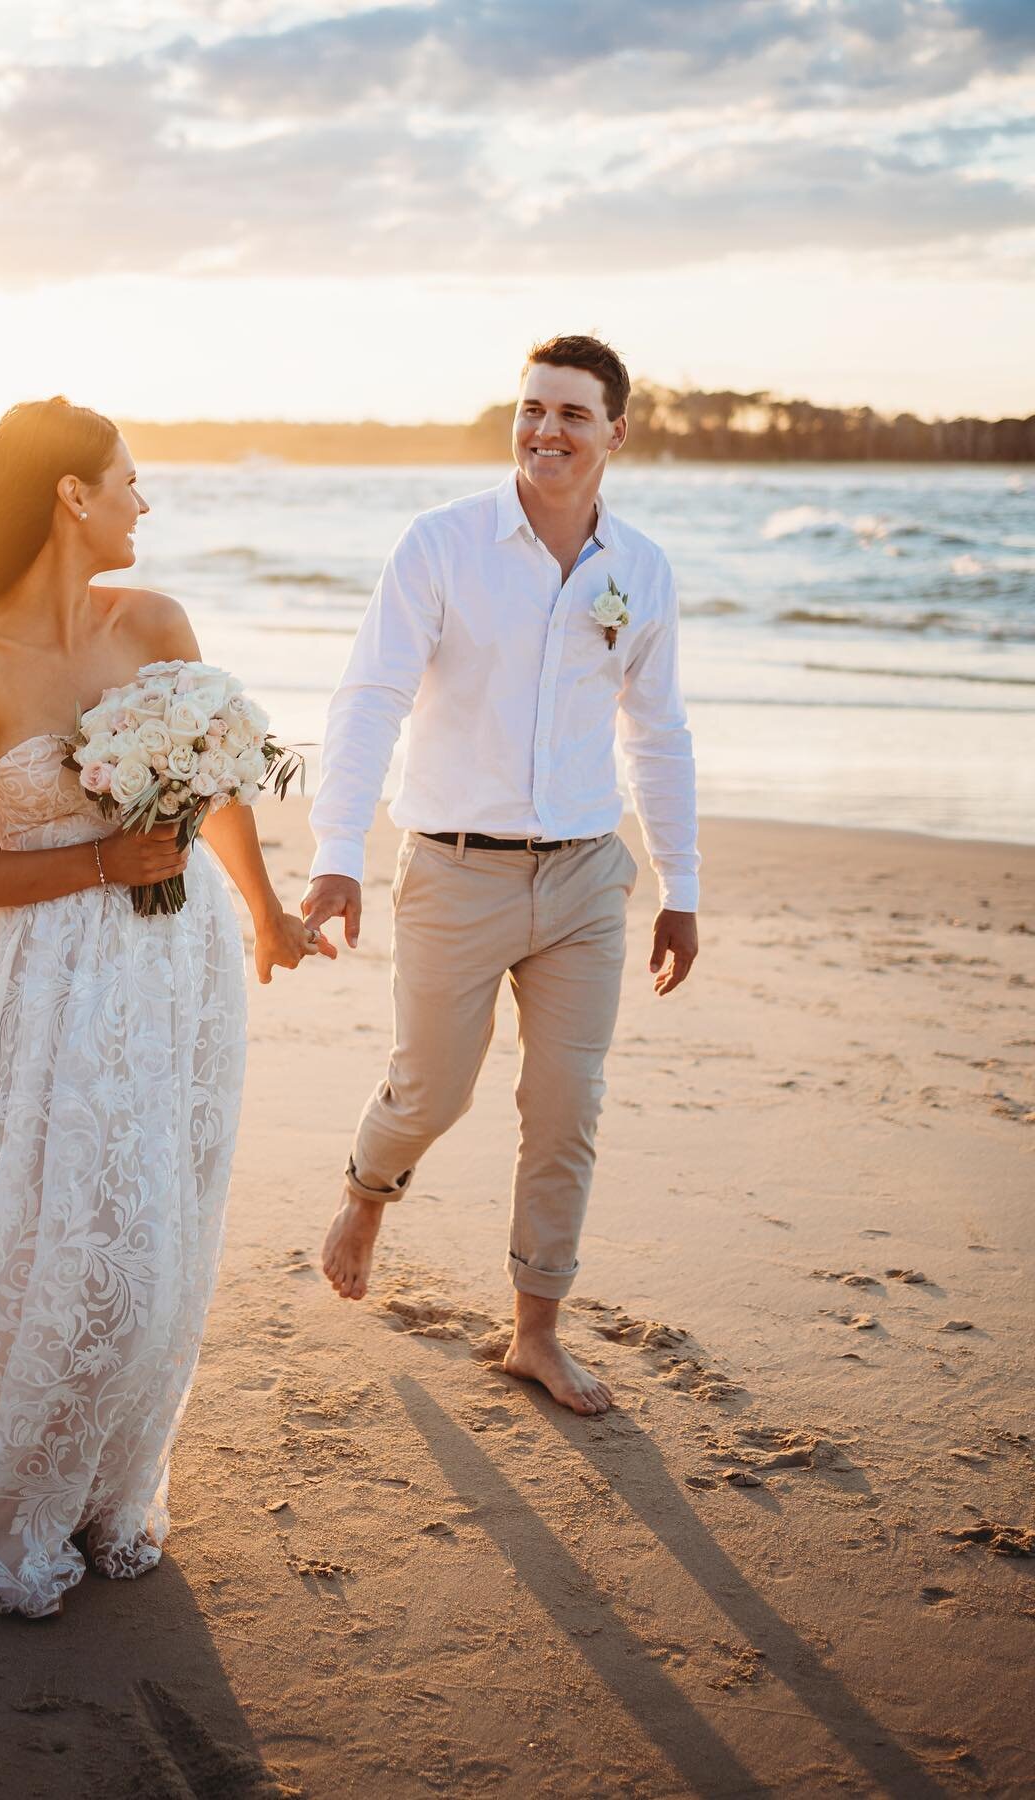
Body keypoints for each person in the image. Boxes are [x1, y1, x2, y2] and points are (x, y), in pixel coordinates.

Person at [0, 398, 330, 1616]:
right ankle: (3, 1490)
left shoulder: (156, 621)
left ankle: (95, 1484)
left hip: (175, 971)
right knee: (59, 1241)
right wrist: (96, 865)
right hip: (47, 984)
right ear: (72, 498)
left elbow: (219, 788)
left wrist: (265, 913)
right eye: (131, 481)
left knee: (159, 1237)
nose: (149, 502)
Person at [302, 336, 700, 1418]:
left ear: (617, 433)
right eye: (532, 409)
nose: (546, 431)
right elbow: (369, 699)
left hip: (583, 882)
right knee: (434, 1088)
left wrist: (681, 884)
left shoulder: (643, 569)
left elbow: (656, 735)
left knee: (565, 1106)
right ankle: (366, 1190)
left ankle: (535, 1330)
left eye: (573, 414)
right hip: (453, 871)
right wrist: (336, 855)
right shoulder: (440, 546)